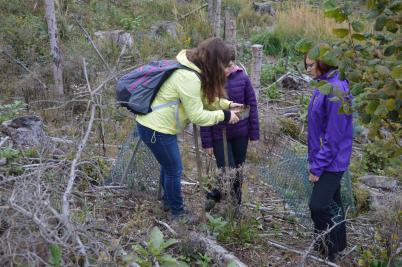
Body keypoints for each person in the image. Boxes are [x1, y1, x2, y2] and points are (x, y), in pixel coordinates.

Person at [135, 38, 243, 221]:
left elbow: (205, 99)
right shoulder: (189, 77)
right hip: (156, 129)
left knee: (169, 166)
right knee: (174, 169)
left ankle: (168, 203)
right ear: (216, 62)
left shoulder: (196, 71)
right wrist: (224, 115)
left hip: (161, 127)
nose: (229, 70)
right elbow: (197, 115)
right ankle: (178, 214)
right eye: (226, 65)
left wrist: (228, 104)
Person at [305, 44, 353, 262]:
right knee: (334, 202)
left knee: (318, 205)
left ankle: (328, 247)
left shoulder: (337, 90)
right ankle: (336, 246)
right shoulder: (323, 84)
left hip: (332, 161)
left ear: (323, 63)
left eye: (311, 65)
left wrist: (317, 166)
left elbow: (334, 137)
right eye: (306, 65)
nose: (307, 69)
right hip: (322, 157)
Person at [200, 45, 259, 210]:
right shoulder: (209, 82)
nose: (229, 69)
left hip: (241, 134)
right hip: (219, 136)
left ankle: (235, 206)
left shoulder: (243, 78)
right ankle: (216, 196)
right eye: (225, 66)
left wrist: (254, 134)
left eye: (231, 65)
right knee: (228, 170)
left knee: (237, 172)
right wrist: (207, 143)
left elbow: (251, 106)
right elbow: (204, 112)